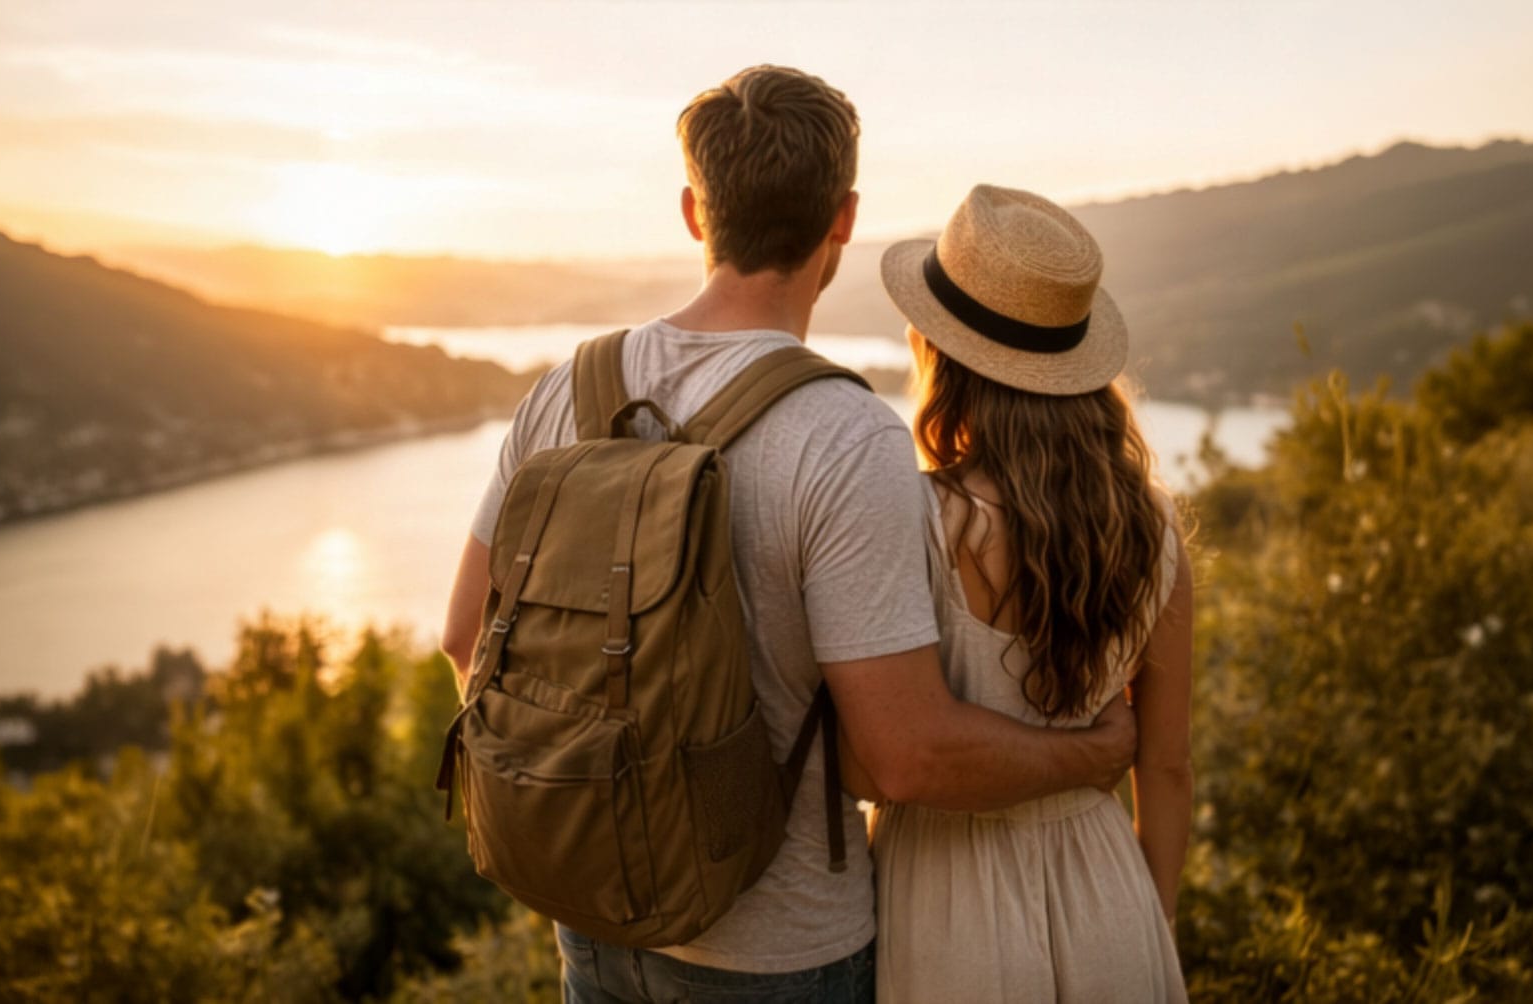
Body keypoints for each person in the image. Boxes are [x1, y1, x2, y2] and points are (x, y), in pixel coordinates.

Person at [440, 67, 1139, 1003]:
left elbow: (464, 641)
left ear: (695, 211)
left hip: (593, 923)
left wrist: (605, 820)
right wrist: (1092, 755)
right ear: (843, 221)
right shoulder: (846, 437)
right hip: (781, 953)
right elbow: (906, 754)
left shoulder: (567, 387)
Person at [860, 184, 1194, 1002]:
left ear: (938, 352)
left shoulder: (918, 519)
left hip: (943, 909)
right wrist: (1148, 920)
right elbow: (1170, 765)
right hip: (1107, 891)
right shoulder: (1151, 527)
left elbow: (866, 763)